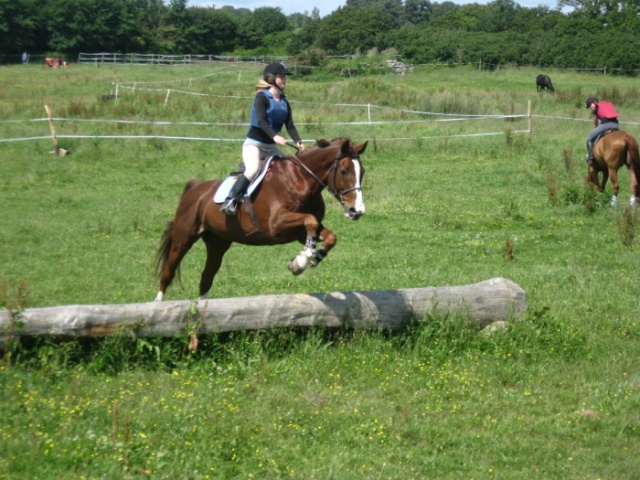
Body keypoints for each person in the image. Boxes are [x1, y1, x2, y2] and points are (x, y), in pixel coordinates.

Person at [220, 62, 305, 215]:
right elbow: (261, 121)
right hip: (254, 145)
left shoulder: (284, 102)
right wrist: (275, 136)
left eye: (285, 77)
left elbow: (290, 125)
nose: (284, 80)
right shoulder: (262, 97)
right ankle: (230, 200)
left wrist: (298, 141)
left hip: (271, 148)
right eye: (281, 77)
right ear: (271, 78)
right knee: (252, 170)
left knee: (288, 170)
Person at [585, 96, 619, 163]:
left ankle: (590, 157)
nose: (590, 107)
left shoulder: (596, 108)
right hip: (616, 125)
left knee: (589, 138)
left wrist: (596, 128)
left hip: (605, 125)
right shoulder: (606, 105)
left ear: (594, 102)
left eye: (589, 105)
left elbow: (596, 122)